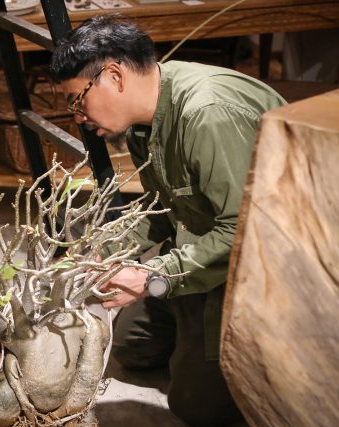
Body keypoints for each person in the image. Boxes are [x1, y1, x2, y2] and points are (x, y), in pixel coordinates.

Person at [50, 15, 286, 427]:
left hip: (264, 262)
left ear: (114, 77)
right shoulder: (145, 125)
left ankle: (243, 347)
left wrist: (153, 276)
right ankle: (196, 335)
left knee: (196, 408)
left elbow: (244, 232)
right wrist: (101, 252)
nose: (78, 116)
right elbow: (162, 208)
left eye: (77, 100)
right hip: (206, 245)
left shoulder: (207, 114)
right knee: (132, 346)